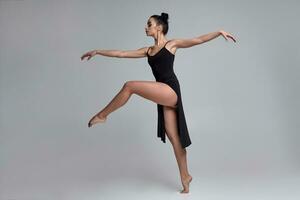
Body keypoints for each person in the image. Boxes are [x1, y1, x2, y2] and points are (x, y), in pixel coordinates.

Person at [80, 12, 236, 193]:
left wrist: (219, 32)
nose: (146, 27)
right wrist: (98, 51)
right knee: (173, 137)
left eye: (149, 24)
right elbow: (121, 54)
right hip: (162, 93)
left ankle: (102, 115)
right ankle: (185, 176)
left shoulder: (172, 45)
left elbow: (197, 40)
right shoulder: (147, 51)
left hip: (170, 90)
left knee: (129, 86)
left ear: (159, 27)